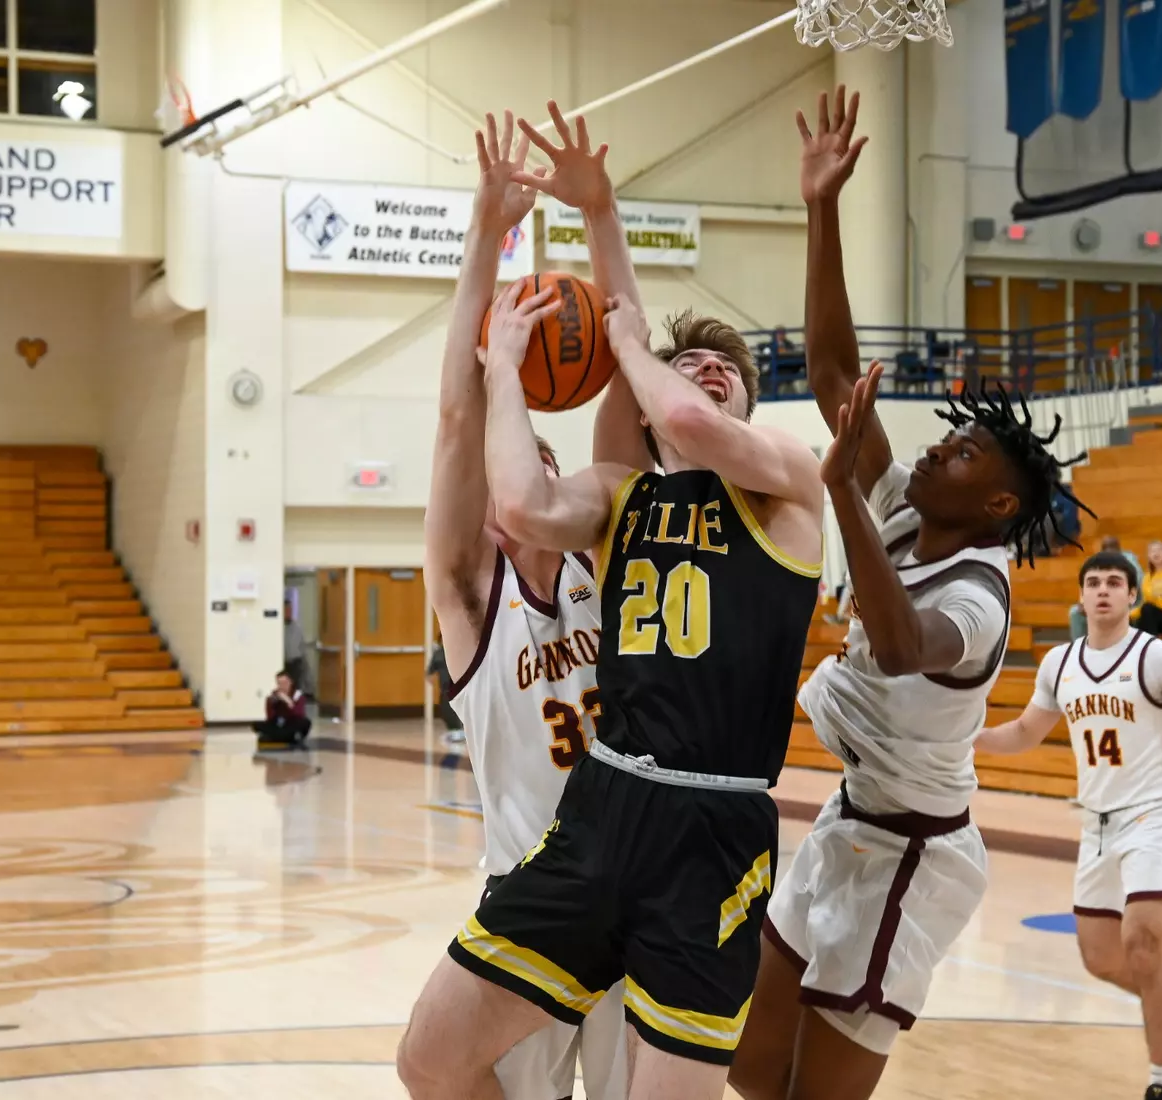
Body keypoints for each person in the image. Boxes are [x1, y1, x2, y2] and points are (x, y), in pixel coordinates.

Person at [398, 100, 826, 1100]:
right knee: (431, 1057)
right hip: (577, 841)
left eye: (728, 371)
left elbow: (665, 399)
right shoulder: (601, 514)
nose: (706, 373)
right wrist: (518, 330)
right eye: (690, 363)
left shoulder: (777, 485)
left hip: (704, 828)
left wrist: (613, 266)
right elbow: (493, 455)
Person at [728, 86, 1090, 1100]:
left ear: (999, 503)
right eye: (947, 436)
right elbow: (834, 368)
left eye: (963, 451)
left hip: (914, 856)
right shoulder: (898, 514)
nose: (937, 447)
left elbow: (896, 644)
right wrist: (820, 207)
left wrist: (840, 488)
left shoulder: (980, 597)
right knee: (751, 1068)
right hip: (850, 820)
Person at [401, 109, 626, 1100]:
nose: (512, 474)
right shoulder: (466, 603)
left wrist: (600, 216)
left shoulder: (611, 568)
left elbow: (630, 396)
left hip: (636, 894)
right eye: (501, 469)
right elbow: (459, 419)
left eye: (533, 457)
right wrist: (485, 237)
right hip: (529, 897)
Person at [979, 550, 1162, 1100]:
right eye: (1093, 582)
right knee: (1100, 958)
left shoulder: (1159, 657)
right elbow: (1026, 732)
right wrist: (967, 739)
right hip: (1098, 823)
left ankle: (1161, 1084)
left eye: (1113, 582)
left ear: (1133, 595)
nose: (1102, 590)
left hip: (1154, 813)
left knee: (1144, 946)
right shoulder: (1059, 663)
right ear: (1081, 596)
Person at [1070, 535, 1142, 639]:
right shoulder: (1097, 562)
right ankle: (1079, 645)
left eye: (1112, 548)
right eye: (1106, 548)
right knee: (1075, 612)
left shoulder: (1129, 560)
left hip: (1129, 603)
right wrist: (1083, 602)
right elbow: (1086, 584)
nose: (1109, 552)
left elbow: (1136, 585)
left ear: (1118, 550)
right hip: (1101, 601)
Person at [253, 671, 310, 749]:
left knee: (305, 722)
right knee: (256, 724)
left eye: (284, 683)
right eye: (279, 683)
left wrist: (288, 702)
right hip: (279, 724)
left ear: (290, 682)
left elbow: (299, 714)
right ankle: (285, 737)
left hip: (291, 723)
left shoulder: (298, 695)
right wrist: (271, 703)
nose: (282, 686)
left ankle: (278, 737)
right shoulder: (274, 696)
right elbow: (270, 717)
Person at [425, 641, 466, 747]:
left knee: (458, 708)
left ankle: (459, 730)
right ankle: (453, 731)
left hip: (458, 686)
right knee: (446, 709)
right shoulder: (438, 653)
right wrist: (429, 677)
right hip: (445, 688)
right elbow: (430, 670)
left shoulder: (458, 650)